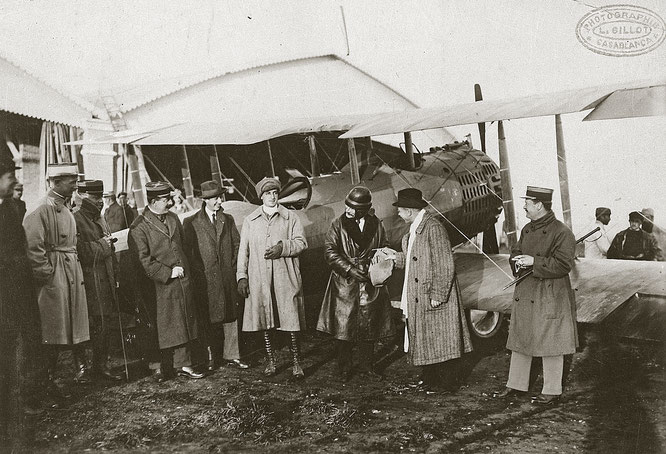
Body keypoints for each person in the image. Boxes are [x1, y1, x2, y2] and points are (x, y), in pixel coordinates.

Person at [383, 188, 472, 391]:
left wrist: (439, 294)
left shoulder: (433, 228)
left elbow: (445, 263)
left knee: (442, 341)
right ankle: (430, 379)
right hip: (421, 295)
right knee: (428, 340)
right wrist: (393, 258)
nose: (398, 213)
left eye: (400, 210)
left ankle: (446, 384)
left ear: (410, 210)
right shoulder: (416, 228)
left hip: (433, 295)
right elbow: (413, 259)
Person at [495, 186, 577, 405]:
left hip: (549, 293)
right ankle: (516, 385)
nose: (524, 207)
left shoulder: (562, 232)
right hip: (527, 288)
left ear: (539, 205)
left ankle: (552, 390)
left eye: (527, 203)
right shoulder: (527, 229)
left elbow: (563, 265)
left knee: (551, 342)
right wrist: (517, 261)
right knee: (521, 337)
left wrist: (535, 262)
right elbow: (515, 251)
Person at [23, 163, 89, 396]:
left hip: (69, 270)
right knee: (52, 331)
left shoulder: (65, 206)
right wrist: (48, 274)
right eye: (71, 181)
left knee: (68, 329)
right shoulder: (41, 209)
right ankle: (47, 383)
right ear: (56, 182)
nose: (75, 184)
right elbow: (33, 246)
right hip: (56, 274)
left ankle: (65, 377)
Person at [317, 186, 395, 380]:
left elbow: (384, 246)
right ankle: (343, 368)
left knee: (369, 327)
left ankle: (366, 367)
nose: (348, 210)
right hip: (345, 283)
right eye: (347, 205)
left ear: (363, 209)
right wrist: (350, 269)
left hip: (370, 281)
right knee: (344, 329)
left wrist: (379, 267)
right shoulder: (338, 225)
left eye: (353, 207)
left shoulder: (377, 224)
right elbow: (330, 252)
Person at [128, 181, 202, 381]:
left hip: (181, 280)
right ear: (153, 201)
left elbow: (182, 246)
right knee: (163, 325)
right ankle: (158, 367)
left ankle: (183, 364)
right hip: (158, 285)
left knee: (183, 320)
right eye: (165, 199)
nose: (169, 202)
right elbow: (143, 260)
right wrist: (167, 272)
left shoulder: (173, 217)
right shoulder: (139, 226)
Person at [237, 177, 307, 378]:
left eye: (275, 193)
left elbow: (301, 243)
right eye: (268, 194)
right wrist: (241, 277)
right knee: (266, 320)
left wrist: (282, 247)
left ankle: (296, 362)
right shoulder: (250, 221)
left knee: (291, 320)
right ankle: (271, 361)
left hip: (285, 276)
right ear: (261, 197)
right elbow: (244, 251)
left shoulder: (290, 217)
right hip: (260, 278)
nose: (272, 197)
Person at [183, 181, 249, 372]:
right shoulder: (192, 223)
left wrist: (233, 266)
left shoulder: (227, 220)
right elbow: (189, 252)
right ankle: (211, 357)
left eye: (220, 197)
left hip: (226, 277)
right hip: (206, 279)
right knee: (209, 319)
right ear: (206, 200)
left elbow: (237, 244)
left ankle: (233, 354)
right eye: (216, 198)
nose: (220, 201)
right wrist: (200, 272)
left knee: (231, 316)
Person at [0, 158, 42, 447]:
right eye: (8, 175)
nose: (14, 181)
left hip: (16, 300)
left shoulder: (12, 209)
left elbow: (19, 256)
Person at [73, 180, 123, 381]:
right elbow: (80, 251)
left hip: (104, 281)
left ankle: (101, 365)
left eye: (101, 197)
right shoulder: (75, 219)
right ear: (83, 197)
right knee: (87, 325)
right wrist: (103, 245)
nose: (100, 202)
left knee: (104, 323)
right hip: (87, 282)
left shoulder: (100, 219)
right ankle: (83, 368)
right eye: (95, 198)